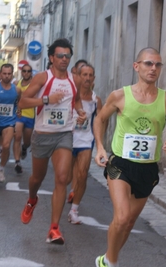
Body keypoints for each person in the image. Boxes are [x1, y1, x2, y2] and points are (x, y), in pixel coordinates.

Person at [93, 47, 166, 267]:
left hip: (148, 168)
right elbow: (100, 119)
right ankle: (111, 263)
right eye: (148, 63)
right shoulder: (120, 95)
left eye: (157, 65)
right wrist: (100, 147)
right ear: (136, 66)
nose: (153, 69)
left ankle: (106, 258)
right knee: (122, 217)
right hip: (120, 164)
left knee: (129, 221)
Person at [18, 38, 86, 245]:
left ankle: (54, 229)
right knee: (36, 179)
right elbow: (22, 101)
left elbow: (76, 100)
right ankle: (32, 199)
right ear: (51, 58)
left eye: (67, 56)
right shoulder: (42, 78)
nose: (64, 59)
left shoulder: (75, 80)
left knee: (63, 177)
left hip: (64, 134)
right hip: (42, 134)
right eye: (60, 56)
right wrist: (46, 100)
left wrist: (80, 112)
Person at [67, 63, 102, 224]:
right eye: (84, 75)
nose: (87, 78)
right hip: (67, 139)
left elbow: (100, 121)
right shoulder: (70, 95)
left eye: (90, 75)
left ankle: (74, 210)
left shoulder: (96, 100)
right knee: (66, 177)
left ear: (94, 78)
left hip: (85, 140)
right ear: (78, 76)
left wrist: (100, 142)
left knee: (82, 175)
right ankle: (65, 195)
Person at [12, 64, 34, 174]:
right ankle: (17, 162)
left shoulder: (35, 84)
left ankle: (24, 148)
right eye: (24, 71)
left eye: (28, 71)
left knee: (27, 141)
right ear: (21, 72)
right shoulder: (16, 84)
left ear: (31, 72)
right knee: (17, 137)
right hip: (19, 114)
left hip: (30, 115)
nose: (26, 73)